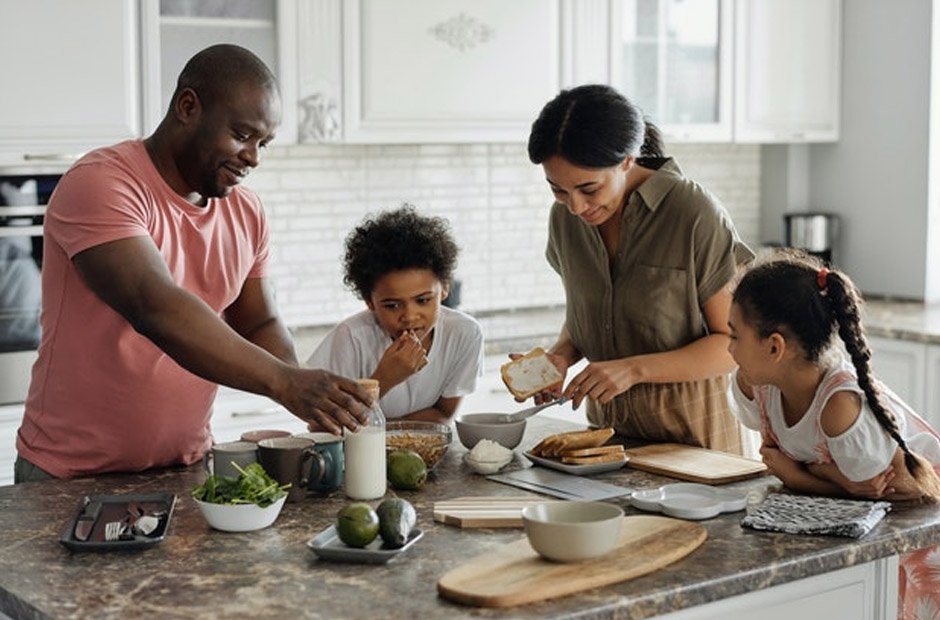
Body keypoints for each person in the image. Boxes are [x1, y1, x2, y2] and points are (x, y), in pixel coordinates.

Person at [14, 44, 371, 483]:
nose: (254, 157)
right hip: (70, 475)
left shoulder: (246, 211)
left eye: (264, 143)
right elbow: (155, 306)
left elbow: (259, 322)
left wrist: (305, 391)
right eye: (242, 135)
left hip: (185, 468)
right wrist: (284, 382)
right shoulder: (101, 183)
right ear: (188, 107)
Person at [524, 84, 753, 453]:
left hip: (697, 444)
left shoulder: (691, 212)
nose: (576, 207)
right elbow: (591, 316)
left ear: (628, 160)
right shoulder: (564, 220)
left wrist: (633, 369)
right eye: (558, 190)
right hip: (608, 443)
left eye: (589, 189)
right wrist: (560, 357)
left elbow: (733, 344)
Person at [728, 249, 940, 616]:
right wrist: (830, 477)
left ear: (774, 346)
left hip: (921, 520)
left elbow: (879, 495)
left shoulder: (839, 407)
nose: (728, 348)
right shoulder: (758, 383)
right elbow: (852, 488)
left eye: (735, 336)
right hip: (871, 517)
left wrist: (797, 475)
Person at [306, 206, 483, 423]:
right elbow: (322, 426)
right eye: (392, 305)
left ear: (445, 288)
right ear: (369, 301)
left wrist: (390, 434)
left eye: (423, 300)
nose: (409, 316)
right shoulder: (351, 338)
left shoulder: (464, 333)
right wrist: (384, 379)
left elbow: (443, 414)